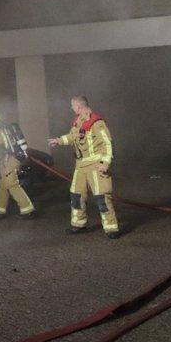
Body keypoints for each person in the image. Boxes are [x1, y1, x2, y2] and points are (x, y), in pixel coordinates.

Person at [48, 95, 119, 239]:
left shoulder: (96, 122)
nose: (71, 108)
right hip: (80, 165)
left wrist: (105, 163)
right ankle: (78, 224)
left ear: (78, 106)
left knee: (101, 197)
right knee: (76, 195)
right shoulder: (78, 120)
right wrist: (58, 141)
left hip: (95, 165)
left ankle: (111, 228)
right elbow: (72, 136)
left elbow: (107, 143)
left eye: (72, 106)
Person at [0, 108, 35, 218]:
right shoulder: (5, 128)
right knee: (2, 187)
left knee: (12, 185)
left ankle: (27, 210)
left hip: (9, 160)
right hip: (9, 159)